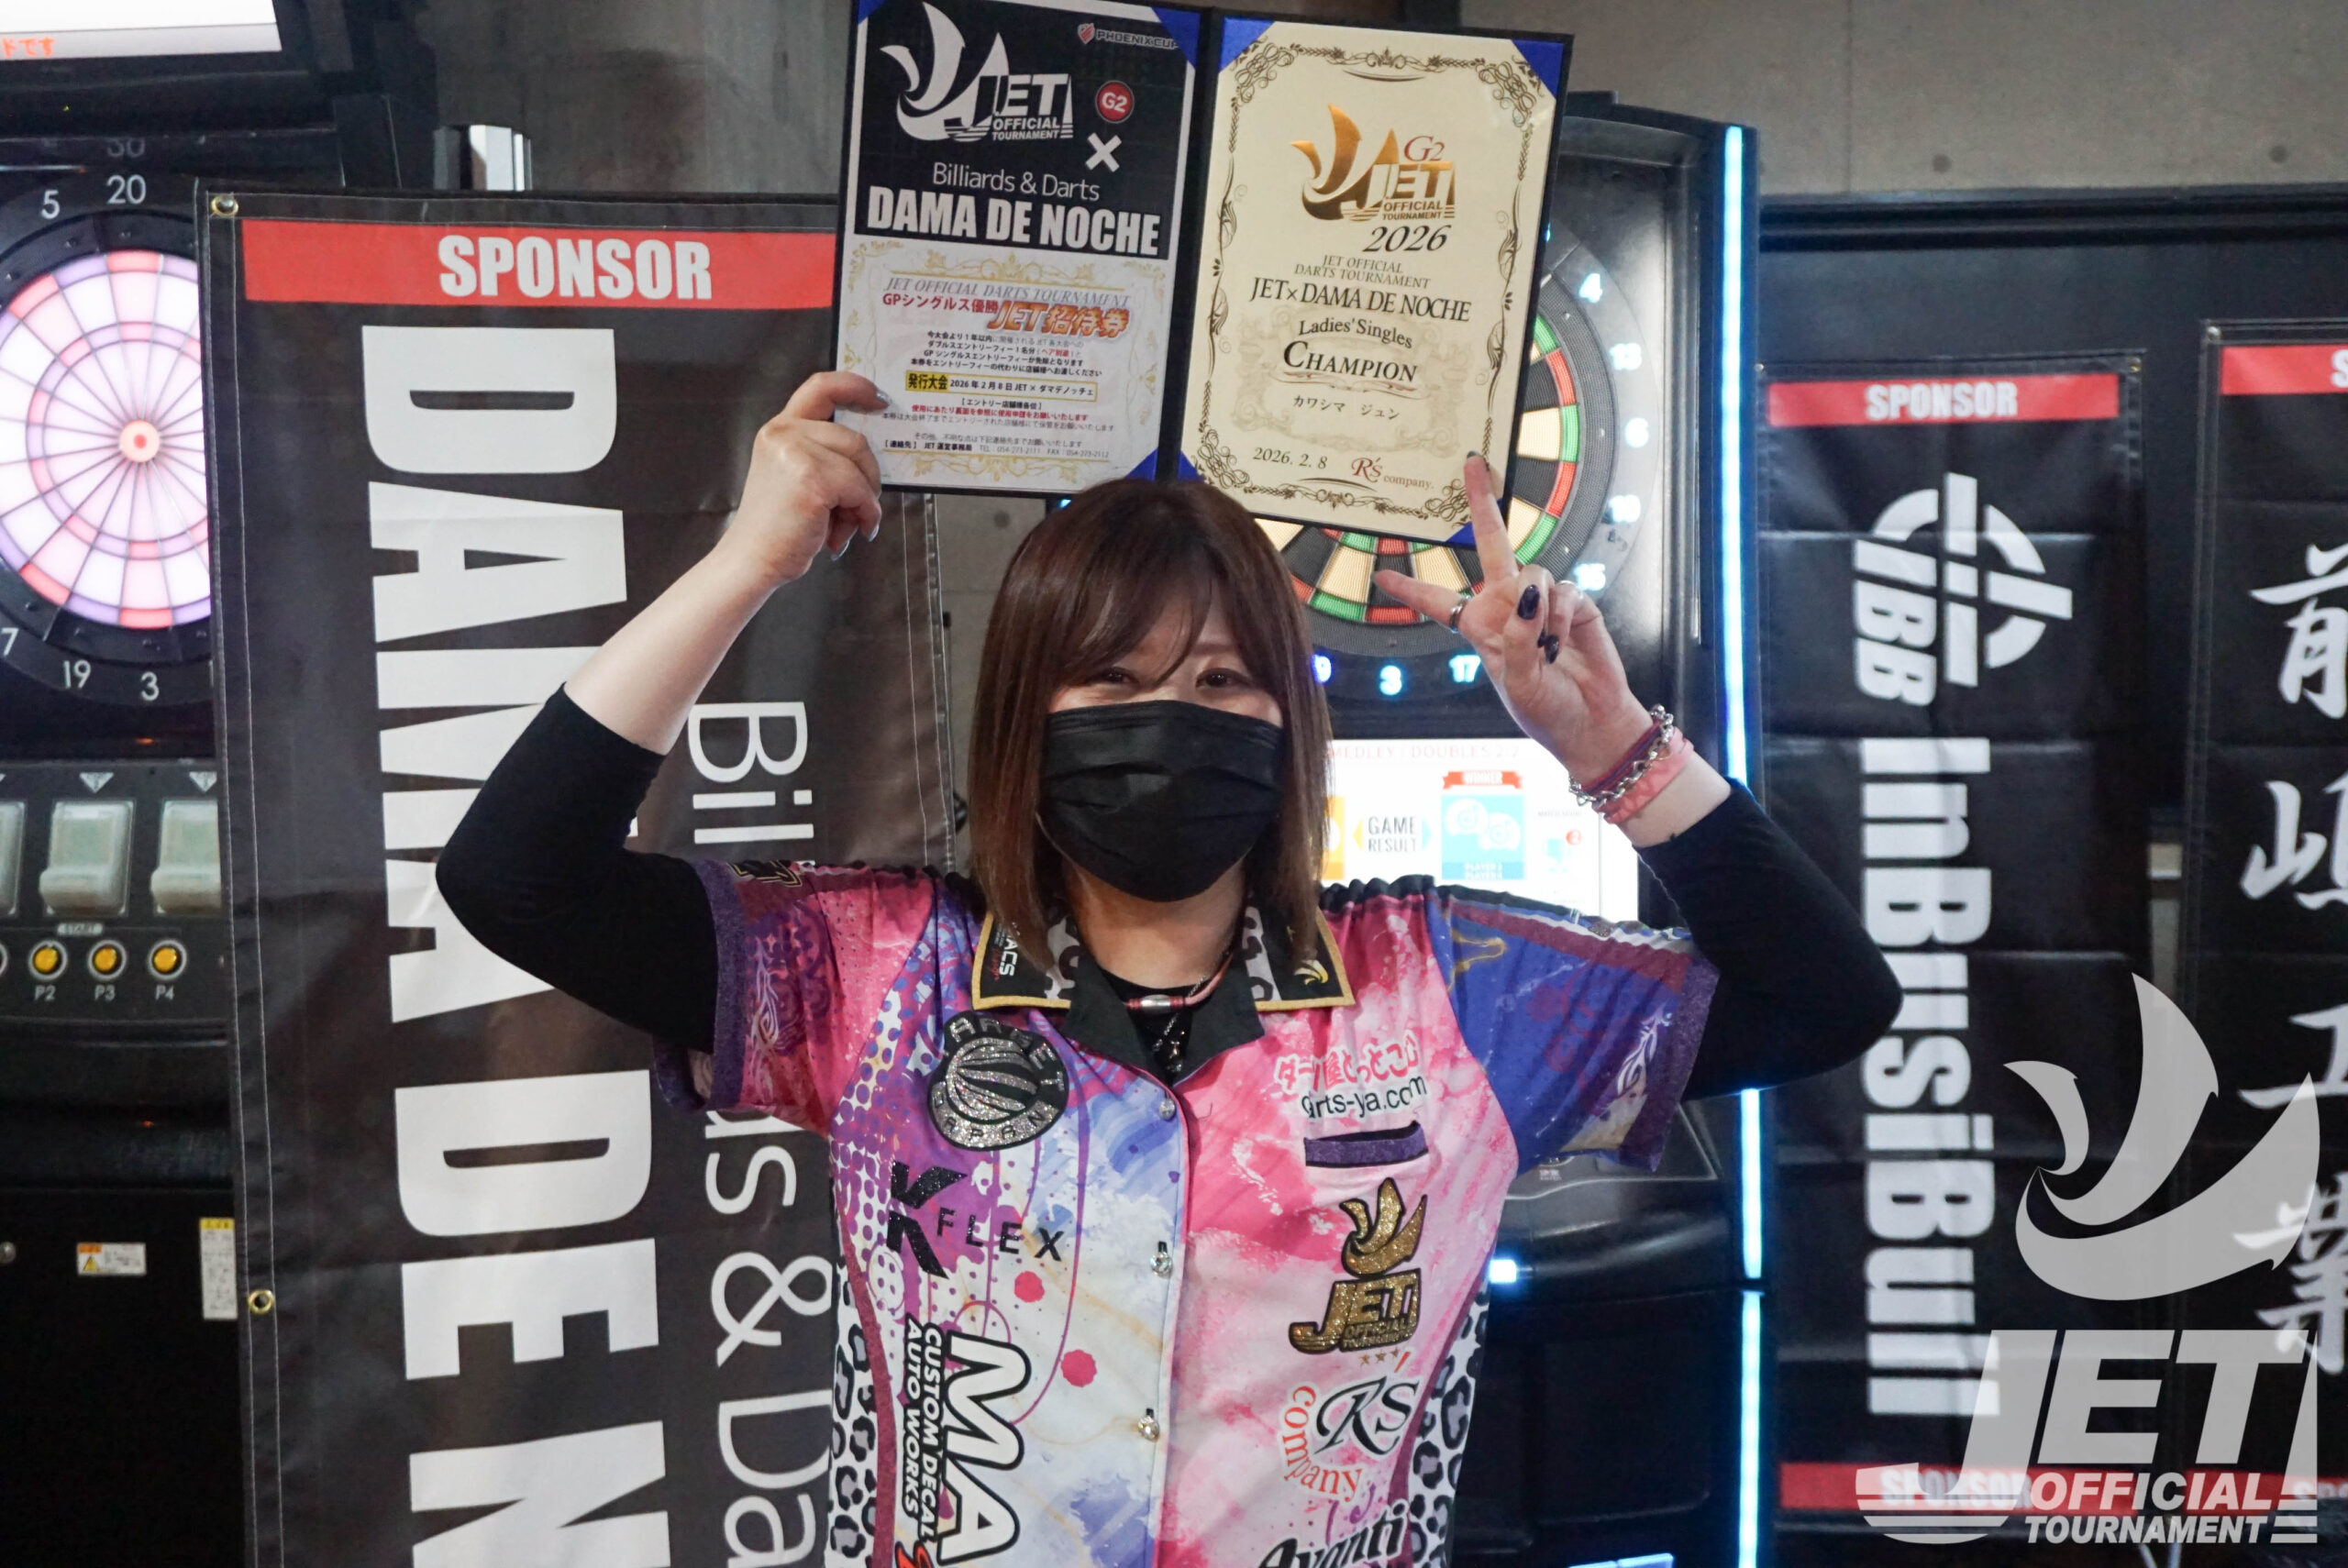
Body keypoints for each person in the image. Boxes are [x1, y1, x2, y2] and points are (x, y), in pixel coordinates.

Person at [438, 370, 1899, 1568]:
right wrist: (748, 560)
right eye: (1113, 680)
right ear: (1029, 715)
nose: (1169, 717)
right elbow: (515, 876)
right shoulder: (876, 970)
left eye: (1219, 680)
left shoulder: (1444, 986)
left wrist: (1613, 747)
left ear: (1285, 723)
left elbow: (1827, 997)